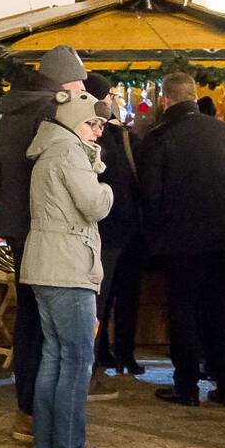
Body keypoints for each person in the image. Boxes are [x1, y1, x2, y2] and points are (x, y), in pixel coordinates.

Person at [138, 71, 225, 408]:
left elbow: (151, 193)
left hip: (182, 240)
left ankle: (186, 385)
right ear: (193, 95)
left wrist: (158, 232)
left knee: (184, 310)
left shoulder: (160, 138)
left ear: (166, 99)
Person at [0, 45, 88, 441]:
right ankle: (43, 421)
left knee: (31, 320)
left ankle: (27, 413)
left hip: (19, 226)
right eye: (80, 82)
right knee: (49, 329)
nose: (84, 90)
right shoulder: (51, 109)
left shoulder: (14, 108)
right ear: (65, 81)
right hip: (46, 229)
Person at [20, 90, 115, 448]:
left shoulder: (50, 150)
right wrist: (106, 187)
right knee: (77, 360)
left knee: (54, 356)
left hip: (45, 265)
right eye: (93, 124)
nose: (97, 133)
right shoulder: (70, 153)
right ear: (76, 121)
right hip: (68, 268)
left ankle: (45, 443)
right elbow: (94, 205)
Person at [82, 76, 143, 375]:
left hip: (107, 229)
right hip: (120, 228)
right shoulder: (118, 138)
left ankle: (104, 354)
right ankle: (114, 355)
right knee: (115, 296)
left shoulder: (90, 136)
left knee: (102, 297)